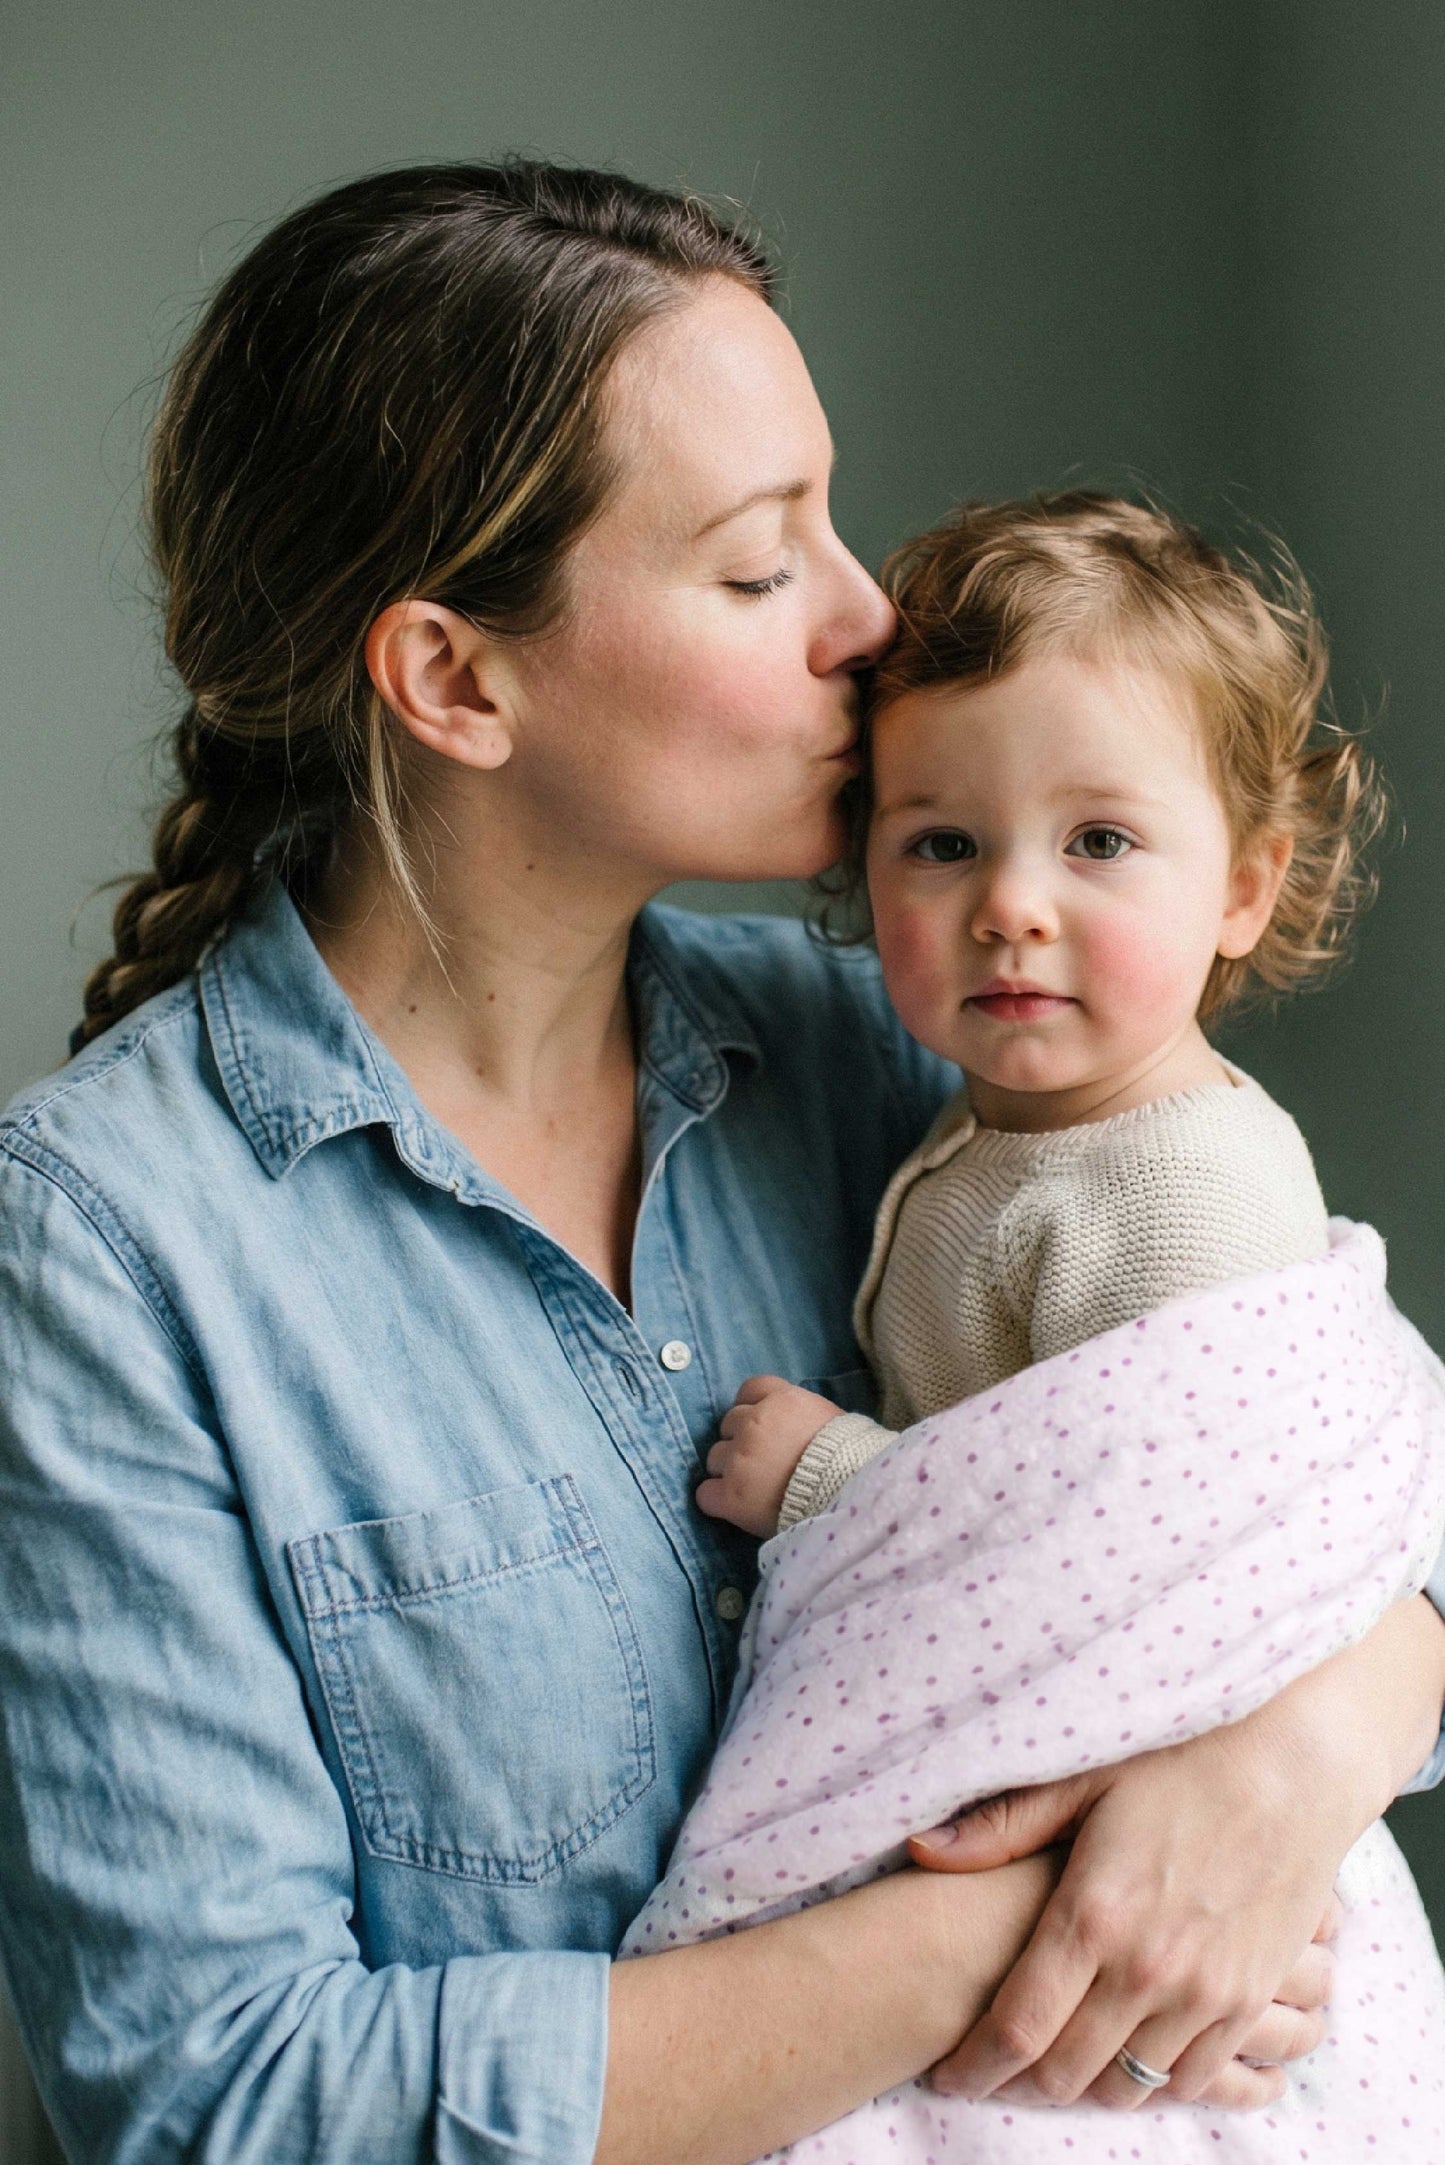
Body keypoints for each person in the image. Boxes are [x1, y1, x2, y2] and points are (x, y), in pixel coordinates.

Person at [0, 163, 1441, 2165]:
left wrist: (1298, 1756)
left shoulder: (897, 1048)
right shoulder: (102, 1255)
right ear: (458, 680)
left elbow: (1318, 1454)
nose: (875, 619)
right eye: (765, 570)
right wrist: (1034, 1929)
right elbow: (219, 2101)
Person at [678, 496, 1445, 2154]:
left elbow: (1145, 1576)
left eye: (1097, 842)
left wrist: (833, 1484)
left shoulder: (1186, 1183)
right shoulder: (980, 1129)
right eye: (940, 842)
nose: (1010, 903)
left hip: (1163, 1894)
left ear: (1244, 885)